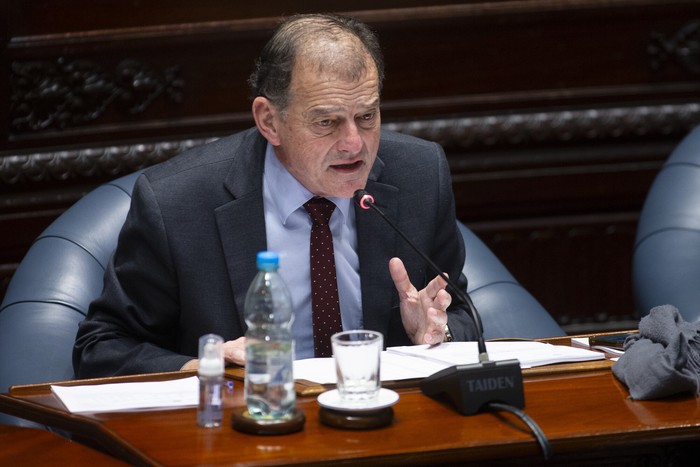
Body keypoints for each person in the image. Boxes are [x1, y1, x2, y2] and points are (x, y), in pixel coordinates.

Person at [73, 13, 478, 378]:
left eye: (367, 116)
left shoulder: (420, 174)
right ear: (270, 121)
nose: (354, 144)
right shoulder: (177, 203)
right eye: (327, 122)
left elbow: (461, 313)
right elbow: (101, 347)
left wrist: (431, 331)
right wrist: (210, 363)